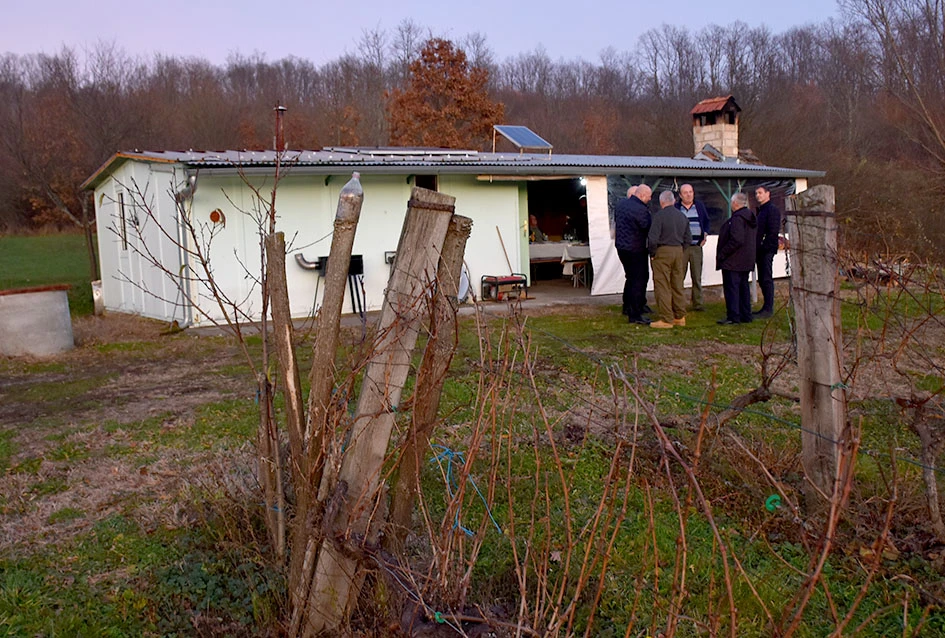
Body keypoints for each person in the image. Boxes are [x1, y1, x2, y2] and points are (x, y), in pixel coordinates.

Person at [647, 190, 690, 329]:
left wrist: (652, 253)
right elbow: (688, 239)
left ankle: (666, 318)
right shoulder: (682, 216)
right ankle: (680, 316)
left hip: (662, 251)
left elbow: (652, 238)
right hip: (678, 251)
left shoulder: (659, 216)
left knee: (663, 285)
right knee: (677, 284)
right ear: (674, 201)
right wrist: (681, 250)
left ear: (661, 202)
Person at [716, 192, 757, 325]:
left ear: (734, 203)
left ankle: (734, 316)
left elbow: (737, 240)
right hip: (745, 260)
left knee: (732, 289)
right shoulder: (750, 218)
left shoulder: (737, 219)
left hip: (733, 260)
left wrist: (723, 253)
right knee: (743, 288)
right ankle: (746, 314)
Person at [614, 184, 652, 325]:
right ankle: (635, 314)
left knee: (630, 278)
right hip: (636, 249)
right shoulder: (641, 210)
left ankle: (627, 306)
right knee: (638, 280)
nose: (650, 199)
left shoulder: (621, 204)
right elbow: (647, 227)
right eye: (648, 196)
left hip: (622, 247)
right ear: (642, 195)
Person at [677, 184, 711, 311]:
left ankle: (698, 303)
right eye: (685, 192)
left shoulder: (699, 206)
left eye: (691, 192)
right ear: (680, 195)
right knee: (679, 276)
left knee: (696, 276)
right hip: (682, 248)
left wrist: (705, 233)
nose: (689, 194)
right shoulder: (676, 208)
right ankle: (679, 303)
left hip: (696, 247)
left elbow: (707, 221)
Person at [754, 186, 781, 318]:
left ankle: (768, 308)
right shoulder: (761, 211)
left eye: (760, 193)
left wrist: (764, 246)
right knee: (762, 278)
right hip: (759, 250)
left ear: (767, 194)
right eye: (756, 193)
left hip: (766, 250)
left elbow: (772, 231)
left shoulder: (772, 210)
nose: (758, 196)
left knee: (766, 278)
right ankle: (765, 306)